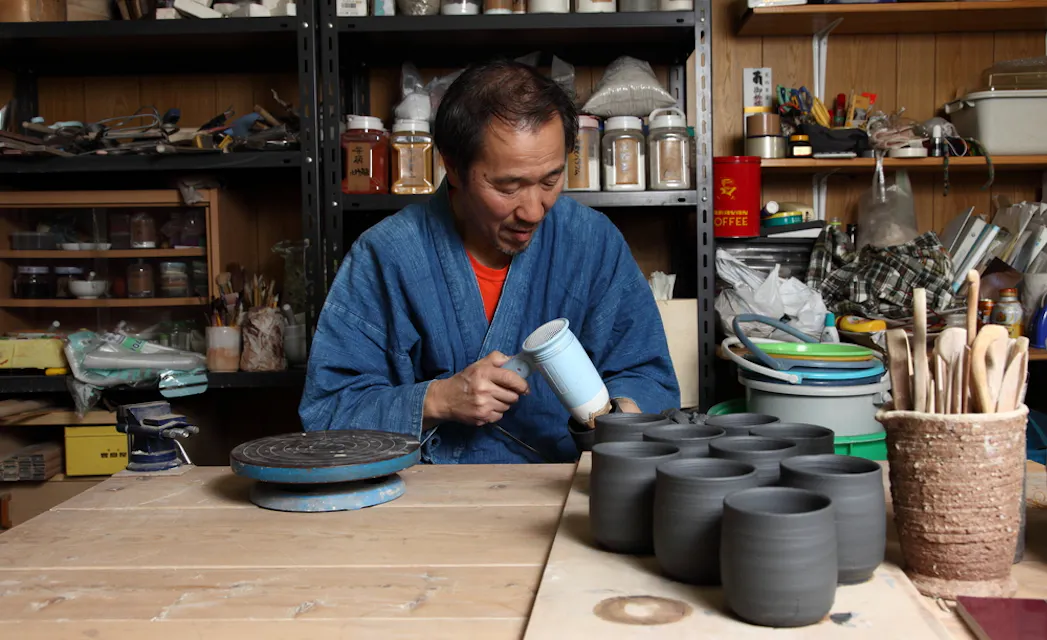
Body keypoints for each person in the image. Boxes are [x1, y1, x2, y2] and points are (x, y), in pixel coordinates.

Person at [299, 59, 679, 464]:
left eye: (550, 180)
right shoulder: (386, 255)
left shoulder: (592, 242)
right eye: (508, 186)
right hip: (424, 500)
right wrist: (437, 400)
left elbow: (647, 375)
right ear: (452, 165)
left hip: (567, 488)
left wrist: (618, 415)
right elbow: (327, 413)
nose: (534, 210)